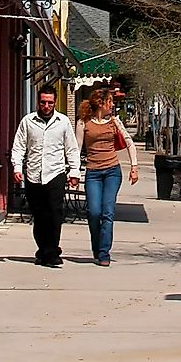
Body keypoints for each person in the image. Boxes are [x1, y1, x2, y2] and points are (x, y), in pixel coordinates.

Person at [11, 84, 80, 267]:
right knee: (39, 215)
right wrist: (17, 168)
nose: (46, 106)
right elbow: (19, 146)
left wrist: (74, 172)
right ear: (38, 102)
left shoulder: (63, 122)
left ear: (55, 102)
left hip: (56, 173)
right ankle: (43, 249)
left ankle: (52, 251)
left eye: (50, 102)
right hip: (34, 174)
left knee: (55, 213)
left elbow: (71, 149)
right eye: (43, 102)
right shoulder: (28, 121)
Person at [76, 87, 139, 266]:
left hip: (112, 171)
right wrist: (73, 171)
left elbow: (130, 144)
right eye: (110, 102)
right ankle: (97, 246)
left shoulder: (115, 122)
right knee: (94, 212)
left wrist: (134, 167)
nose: (112, 106)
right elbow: (76, 149)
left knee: (107, 212)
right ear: (101, 103)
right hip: (93, 172)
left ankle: (104, 253)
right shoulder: (83, 123)